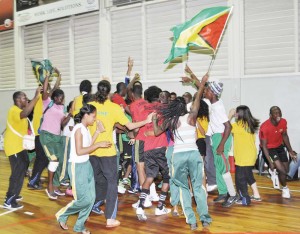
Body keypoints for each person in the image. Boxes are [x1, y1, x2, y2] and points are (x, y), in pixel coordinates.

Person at [88, 80, 153, 228]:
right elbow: (129, 125)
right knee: (111, 184)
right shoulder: (114, 108)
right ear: (109, 92)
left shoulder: (92, 107)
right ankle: (110, 218)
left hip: (91, 151)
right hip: (108, 152)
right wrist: (146, 120)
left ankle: (88, 207)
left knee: (96, 182)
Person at [153, 73, 212, 230]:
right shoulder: (192, 117)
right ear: (185, 107)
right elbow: (198, 98)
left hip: (178, 156)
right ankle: (205, 219)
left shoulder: (170, 121)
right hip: (193, 154)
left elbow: (157, 131)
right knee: (197, 187)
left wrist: (153, 120)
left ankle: (191, 221)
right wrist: (202, 84)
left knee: (183, 188)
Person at [56, 104, 111, 234]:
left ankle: (79, 226)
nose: (94, 119)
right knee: (83, 200)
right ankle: (62, 215)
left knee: (91, 198)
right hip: (77, 167)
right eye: (93, 116)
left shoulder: (85, 129)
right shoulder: (78, 129)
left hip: (86, 165)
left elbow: (88, 146)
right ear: (86, 115)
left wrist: (97, 132)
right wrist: (98, 145)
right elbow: (80, 151)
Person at [135, 85, 170, 221]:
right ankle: (160, 207)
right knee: (167, 177)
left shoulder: (143, 109)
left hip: (147, 148)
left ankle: (140, 206)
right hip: (160, 147)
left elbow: (139, 127)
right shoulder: (164, 108)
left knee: (149, 177)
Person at [3, 86, 42, 209]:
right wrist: (36, 96)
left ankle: (13, 193)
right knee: (17, 173)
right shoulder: (14, 110)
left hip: (20, 147)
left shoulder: (20, 112)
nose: (27, 99)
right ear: (18, 100)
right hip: (13, 147)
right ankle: (9, 200)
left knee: (22, 168)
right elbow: (26, 112)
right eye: (25, 98)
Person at [204, 81, 238, 207]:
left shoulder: (218, 107)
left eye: (207, 90)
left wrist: (222, 144)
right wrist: (193, 77)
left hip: (222, 136)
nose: (205, 92)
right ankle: (223, 192)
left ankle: (233, 195)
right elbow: (200, 85)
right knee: (218, 167)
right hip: (217, 136)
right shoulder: (213, 102)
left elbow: (228, 127)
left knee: (224, 168)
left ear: (212, 93)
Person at [28, 69, 61, 189]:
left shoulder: (49, 101)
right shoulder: (42, 99)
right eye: (47, 89)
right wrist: (47, 76)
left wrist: (59, 76)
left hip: (44, 134)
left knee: (44, 159)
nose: (50, 90)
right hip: (40, 133)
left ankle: (34, 179)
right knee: (42, 160)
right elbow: (47, 88)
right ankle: (32, 181)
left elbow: (55, 89)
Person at [39, 82, 72, 199]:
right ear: (54, 97)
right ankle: (50, 187)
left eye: (63, 97)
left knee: (60, 162)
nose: (62, 99)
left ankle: (56, 186)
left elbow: (62, 124)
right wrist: (47, 77)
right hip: (47, 136)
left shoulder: (61, 107)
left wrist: (69, 115)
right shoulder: (47, 102)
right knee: (54, 160)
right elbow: (45, 90)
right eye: (60, 97)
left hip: (57, 136)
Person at [259, 106, 297, 198]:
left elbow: (285, 136)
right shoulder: (265, 127)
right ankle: (285, 188)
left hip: (279, 147)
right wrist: (270, 162)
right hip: (269, 149)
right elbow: (264, 146)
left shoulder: (283, 122)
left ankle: (274, 171)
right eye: (275, 113)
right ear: (270, 115)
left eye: (279, 112)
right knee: (282, 171)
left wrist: (290, 151)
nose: (278, 115)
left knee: (286, 170)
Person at [229, 106, 261, 205]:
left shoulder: (238, 126)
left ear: (240, 114)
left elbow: (225, 127)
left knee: (240, 179)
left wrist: (230, 115)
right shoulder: (249, 124)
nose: (235, 114)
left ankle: (245, 199)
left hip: (243, 157)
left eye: (236, 112)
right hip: (250, 155)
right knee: (248, 175)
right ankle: (256, 195)